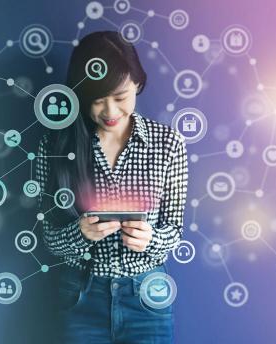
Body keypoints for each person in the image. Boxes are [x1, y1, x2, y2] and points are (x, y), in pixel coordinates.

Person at [35, 31, 188, 343]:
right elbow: (47, 235)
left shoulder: (169, 143)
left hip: (147, 296)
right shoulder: (55, 143)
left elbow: (174, 231)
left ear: (138, 84)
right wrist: (80, 234)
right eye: (97, 100)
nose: (110, 112)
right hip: (80, 294)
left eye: (120, 98)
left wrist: (151, 239)